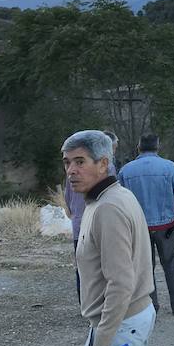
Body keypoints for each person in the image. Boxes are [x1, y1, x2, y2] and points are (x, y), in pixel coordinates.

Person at [61, 129, 155, 346]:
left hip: (120, 323)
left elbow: (121, 282)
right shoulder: (105, 199)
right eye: (67, 162)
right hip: (119, 321)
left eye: (80, 161)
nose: (71, 170)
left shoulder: (108, 207)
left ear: (103, 163)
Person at [118, 133, 174, 316]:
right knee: (170, 264)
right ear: (157, 146)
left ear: (138, 147)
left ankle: (151, 306)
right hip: (167, 226)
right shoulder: (170, 168)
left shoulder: (126, 171)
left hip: (139, 227)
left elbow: (120, 201)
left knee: (144, 267)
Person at [64, 129, 119, 301]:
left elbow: (67, 198)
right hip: (95, 225)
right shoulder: (107, 169)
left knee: (83, 266)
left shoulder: (73, 171)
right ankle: (96, 303)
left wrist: (74, 213)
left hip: (79, 224)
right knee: (99, 266)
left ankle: (85, 301)